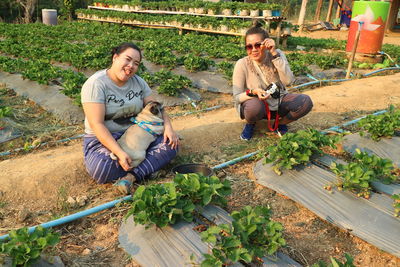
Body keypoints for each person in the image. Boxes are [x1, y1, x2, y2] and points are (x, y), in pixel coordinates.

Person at [81, 42, 179, 193]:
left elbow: (157, 106)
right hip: (103, 139)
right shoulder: (96, 84)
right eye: (127, 59)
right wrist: (119, 153)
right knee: (102, 169)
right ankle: (147, 169)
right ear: (115, 58)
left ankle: (131, 176)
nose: (131, 66)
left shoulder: (139, 82)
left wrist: (169, 128)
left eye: (136, 63)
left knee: (171, 144)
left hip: (137, 134)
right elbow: (97, 124)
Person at [233, 23, 313, 140]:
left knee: (305, 102)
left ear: (266, 44)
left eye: (258, 45)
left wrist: (274, 54)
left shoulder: (277, 55)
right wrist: (253, 92)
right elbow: (237, 97)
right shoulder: (242, 64)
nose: (254, 50)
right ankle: (251, 123)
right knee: (253, 108)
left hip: (278, 102)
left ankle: (280, 124)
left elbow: (288, 81)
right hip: (258, 105)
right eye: (249, 46)